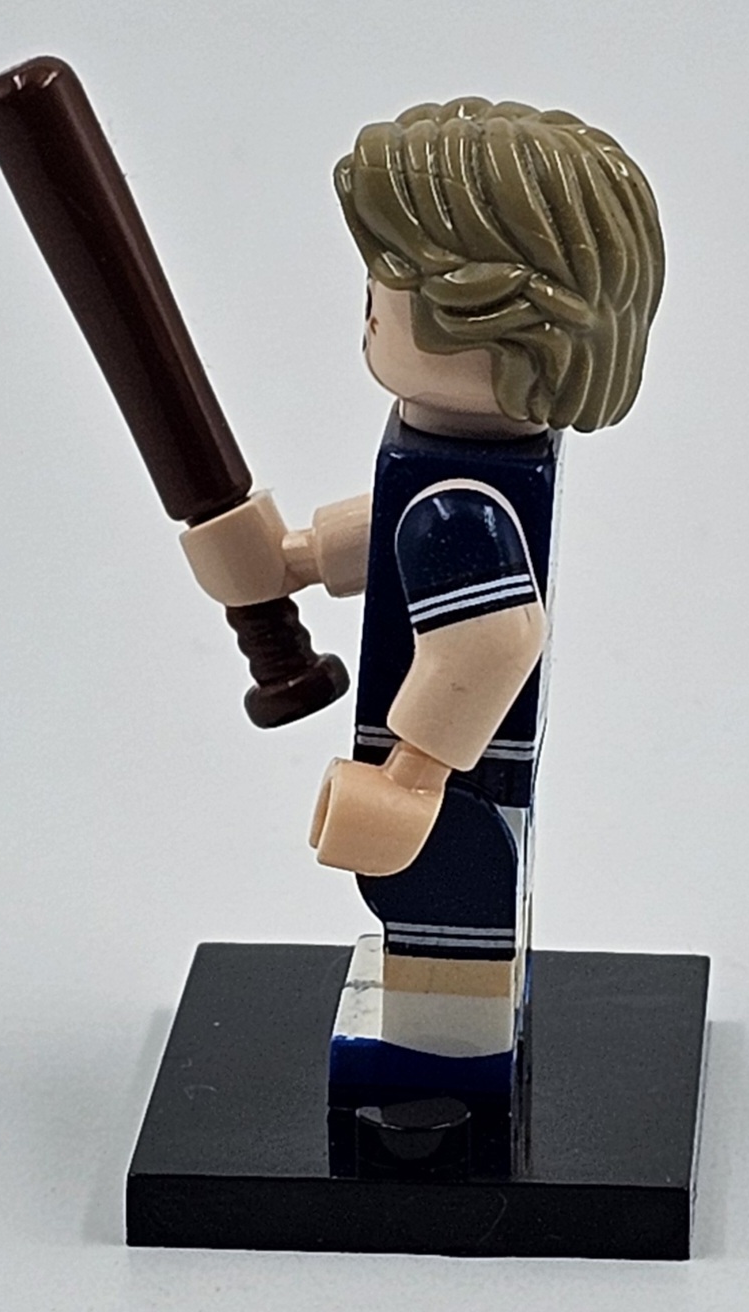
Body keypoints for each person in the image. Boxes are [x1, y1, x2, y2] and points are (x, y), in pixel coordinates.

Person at [180, 97, 664, 1125]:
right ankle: (440, 1036)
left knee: (447, 921)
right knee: (436, 908)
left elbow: (495, 636)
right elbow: (397, 528)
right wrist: (292, 557)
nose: (366, 306)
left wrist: (411, 777)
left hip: (452, 784)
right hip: (449, 775)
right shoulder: (456, 468)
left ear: (495, 326)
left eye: (385, 289)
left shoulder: (462, 506)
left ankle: (441, 1061)